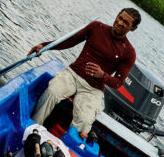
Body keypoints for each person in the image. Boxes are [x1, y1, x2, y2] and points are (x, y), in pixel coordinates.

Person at [29, 8, 141, 138]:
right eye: (120, 18)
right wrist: (44, 46)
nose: (120, 22)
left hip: (93, 89)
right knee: (52, 92)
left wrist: (103, 75)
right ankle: (32, 130)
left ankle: (63, 150)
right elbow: (70, 41)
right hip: (73, 74)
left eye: (126, 22)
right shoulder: (96, 27)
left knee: (84, 121)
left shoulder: (129, 53)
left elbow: (118, 83)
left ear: (133, 28)